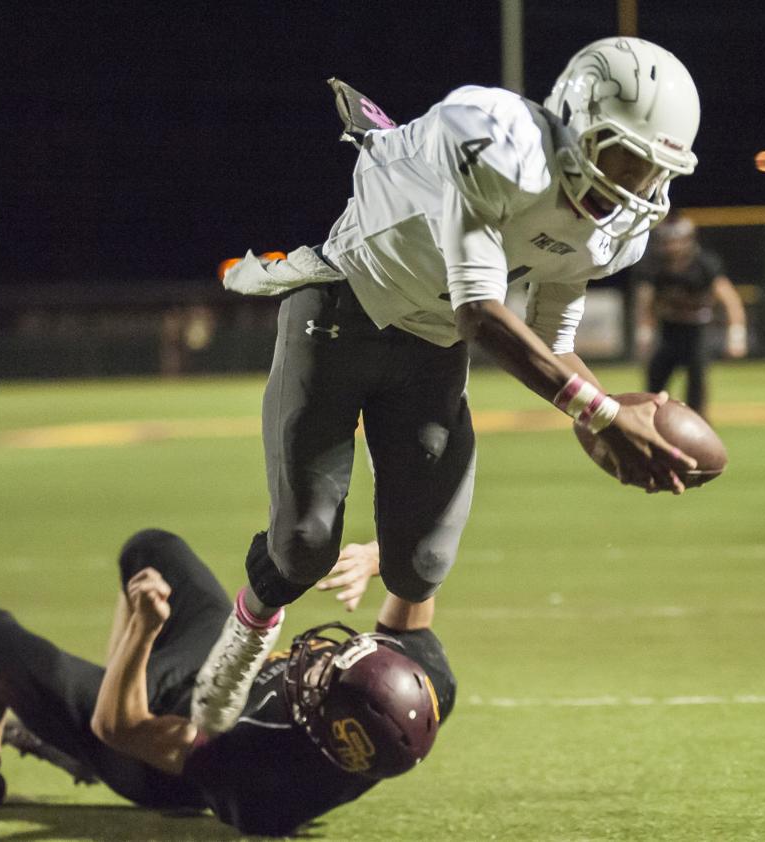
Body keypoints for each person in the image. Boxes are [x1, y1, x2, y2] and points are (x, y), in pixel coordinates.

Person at [195, 36, 704, 734]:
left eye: (652, 169)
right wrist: (605, 414)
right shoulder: (496, 137)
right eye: (624, 157)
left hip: (430, 350)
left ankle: (362, 709)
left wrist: (603, 415)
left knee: (424, 559)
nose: (634, 184)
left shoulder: (616, 232)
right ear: (577, 122)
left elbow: (553, 346)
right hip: (344, 309)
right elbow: (481, 314)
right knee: (304, 545)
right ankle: (233, 657)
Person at [0, 530, 454, 839]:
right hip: (215, 680)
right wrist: (379, 556)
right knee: (150, 550)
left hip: (150, 749)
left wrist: (144, 631)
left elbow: (121, 726)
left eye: (323, 674)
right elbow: (419, 563)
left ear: (316, 725)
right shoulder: (423, 690)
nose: (318, 653)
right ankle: (96, 697)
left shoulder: (255, 770)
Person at [633, 215, 747, 418]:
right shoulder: (655, 266)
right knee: (653, 385)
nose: (671, 247)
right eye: (666, 241)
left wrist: (736, 335)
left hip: (696, 332)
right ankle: (650, 426)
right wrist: (644, 334)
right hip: (669, 330)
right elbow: (646, 302)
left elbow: (730, 300)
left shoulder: (704, 264)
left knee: (696, 387)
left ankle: (697, 432)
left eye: (674, 241)